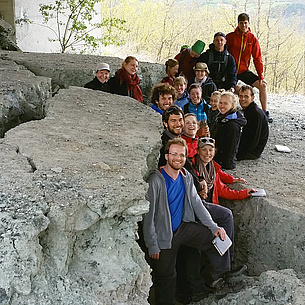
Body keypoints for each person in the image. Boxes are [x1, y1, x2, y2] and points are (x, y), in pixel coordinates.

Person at [143, 137, 232, 305]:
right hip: (164, 236)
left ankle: (217, 279)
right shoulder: (156, 180)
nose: (178, 158)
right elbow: (149, 215)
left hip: (184, 228)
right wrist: (152, 243)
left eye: (182, 155)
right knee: (166, 276)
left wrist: (214, 227)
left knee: (218, 240)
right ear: (167, 156)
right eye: (174, 154)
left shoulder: (185, 176)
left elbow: (198, 204)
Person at [226, 13, 272, 122]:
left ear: (249, 23)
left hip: (244, 71)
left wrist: (261, 76)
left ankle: (265, 113)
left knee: (263, 86)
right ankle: (229, 112)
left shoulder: (252, 39)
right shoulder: (230, 37)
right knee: (233, 89)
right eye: (241, 23)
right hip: (231, 71)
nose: (243, 25)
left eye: (245, 23)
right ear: (238, 24)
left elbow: (257, 58)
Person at [192, 137, 256, 205]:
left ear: (214, 152)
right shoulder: (191, 168)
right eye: (204, 149)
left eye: (211, 150)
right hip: (196, 205)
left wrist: (244, 193)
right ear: (198, 151)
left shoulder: (214, 170)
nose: (207, 153)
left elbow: (223, 191)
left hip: (210, 205)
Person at [212, 91, 246, 170]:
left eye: (225, 103)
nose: (222, 106)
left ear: (232, 105)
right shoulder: (221, 117)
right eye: (220, 103)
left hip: (224, 164)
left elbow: (231, 148)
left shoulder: (232, 125)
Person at [237, 85, 269, 160]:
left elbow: (253, 139)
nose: (243, 99)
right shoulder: (249, 109)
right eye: (241, 96)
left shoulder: (255, 114)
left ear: (252, 98)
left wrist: (239, 155)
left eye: (246, 96)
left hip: (253, 151)